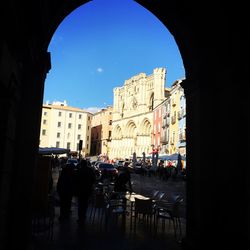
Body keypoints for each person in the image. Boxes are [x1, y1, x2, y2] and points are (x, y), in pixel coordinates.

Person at [74, 159, 96, 224]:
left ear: (81, 164)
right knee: (85, 203)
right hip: (87, 189)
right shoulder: (90, 170)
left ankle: (80, 217)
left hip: (80, 190)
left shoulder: (79, 170)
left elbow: (76, 180)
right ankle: (83, 216)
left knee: (80, 204)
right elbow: (93, 179)